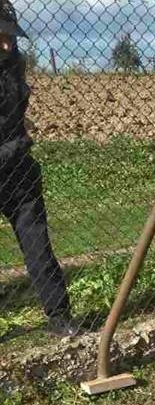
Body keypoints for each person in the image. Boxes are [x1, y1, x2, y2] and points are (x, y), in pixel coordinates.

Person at [0, 0, 78, 337]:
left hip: (20, 175)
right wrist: (18, 142)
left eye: (11, 37)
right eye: (0, 36)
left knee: (38, 246)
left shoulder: (13, 67)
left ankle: (60, 316)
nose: (7, 44)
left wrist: (19, 139)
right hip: (11, 155)